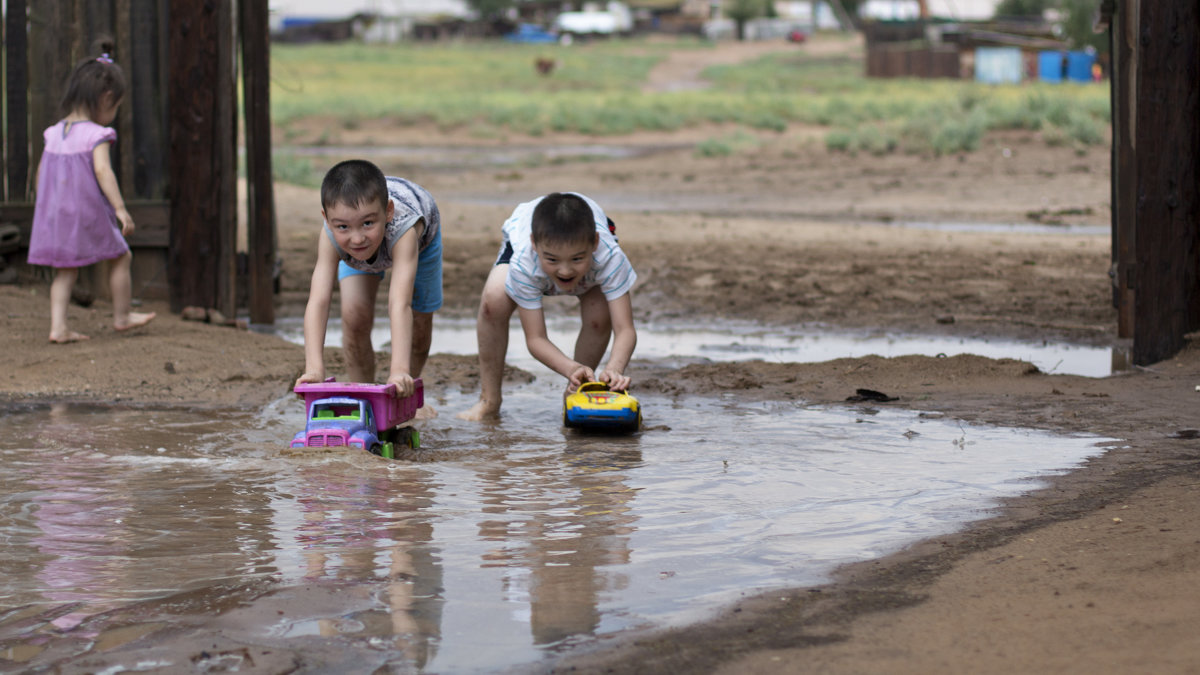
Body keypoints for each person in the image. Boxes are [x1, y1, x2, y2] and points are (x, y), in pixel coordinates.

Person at [459, 192, 637, 421]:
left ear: (594, 243)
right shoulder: (525, 261)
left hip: (589, 261)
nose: (565, 271)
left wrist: (615, 368)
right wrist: (569, 367)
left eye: (576, 259)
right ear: (534, 244)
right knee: (494, 300)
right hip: (529, 242)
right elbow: (535, 339)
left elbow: (625, 329)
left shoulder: (609, 257)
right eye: (553, 260)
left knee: (599, 317)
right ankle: (489, 401)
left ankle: (577, 393)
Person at [26, 46, 155, 343]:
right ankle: (122, 316)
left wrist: (44, 205)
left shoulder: (53, 132)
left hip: (58, 214)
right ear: (106, 98)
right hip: (86, 213)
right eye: (116, 106)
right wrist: (120, 208)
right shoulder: (97, 135)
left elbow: (41, 173)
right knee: (122, 256)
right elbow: (102, 171)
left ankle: (58, 327)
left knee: (65, 271)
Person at [295, 160, 442, 409]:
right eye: (343, 226)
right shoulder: (333, 235)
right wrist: (314, 369)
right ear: (327, 220)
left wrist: (398, 370)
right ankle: (363, 400)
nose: (357, 238)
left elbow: (399, 303)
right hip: (359, 255)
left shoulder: (404, 229)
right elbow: (318, 300)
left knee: (419, 323)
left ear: (388, 212)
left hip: (420, 239)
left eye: (367, 224)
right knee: (354, 317)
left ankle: (406, 396)